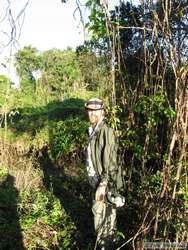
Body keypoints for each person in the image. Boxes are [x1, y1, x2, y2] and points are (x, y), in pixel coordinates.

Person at [85, 98, 125, 250]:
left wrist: (103, 184)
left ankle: (104, 246)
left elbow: (110, 161)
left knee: (103, 218)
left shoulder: (106, 131)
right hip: (96, 181)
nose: (92, 113)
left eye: (95, 110)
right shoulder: (93, 130)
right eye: (89, 110)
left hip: (104, 184)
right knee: (101, 215)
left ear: (102, 111)